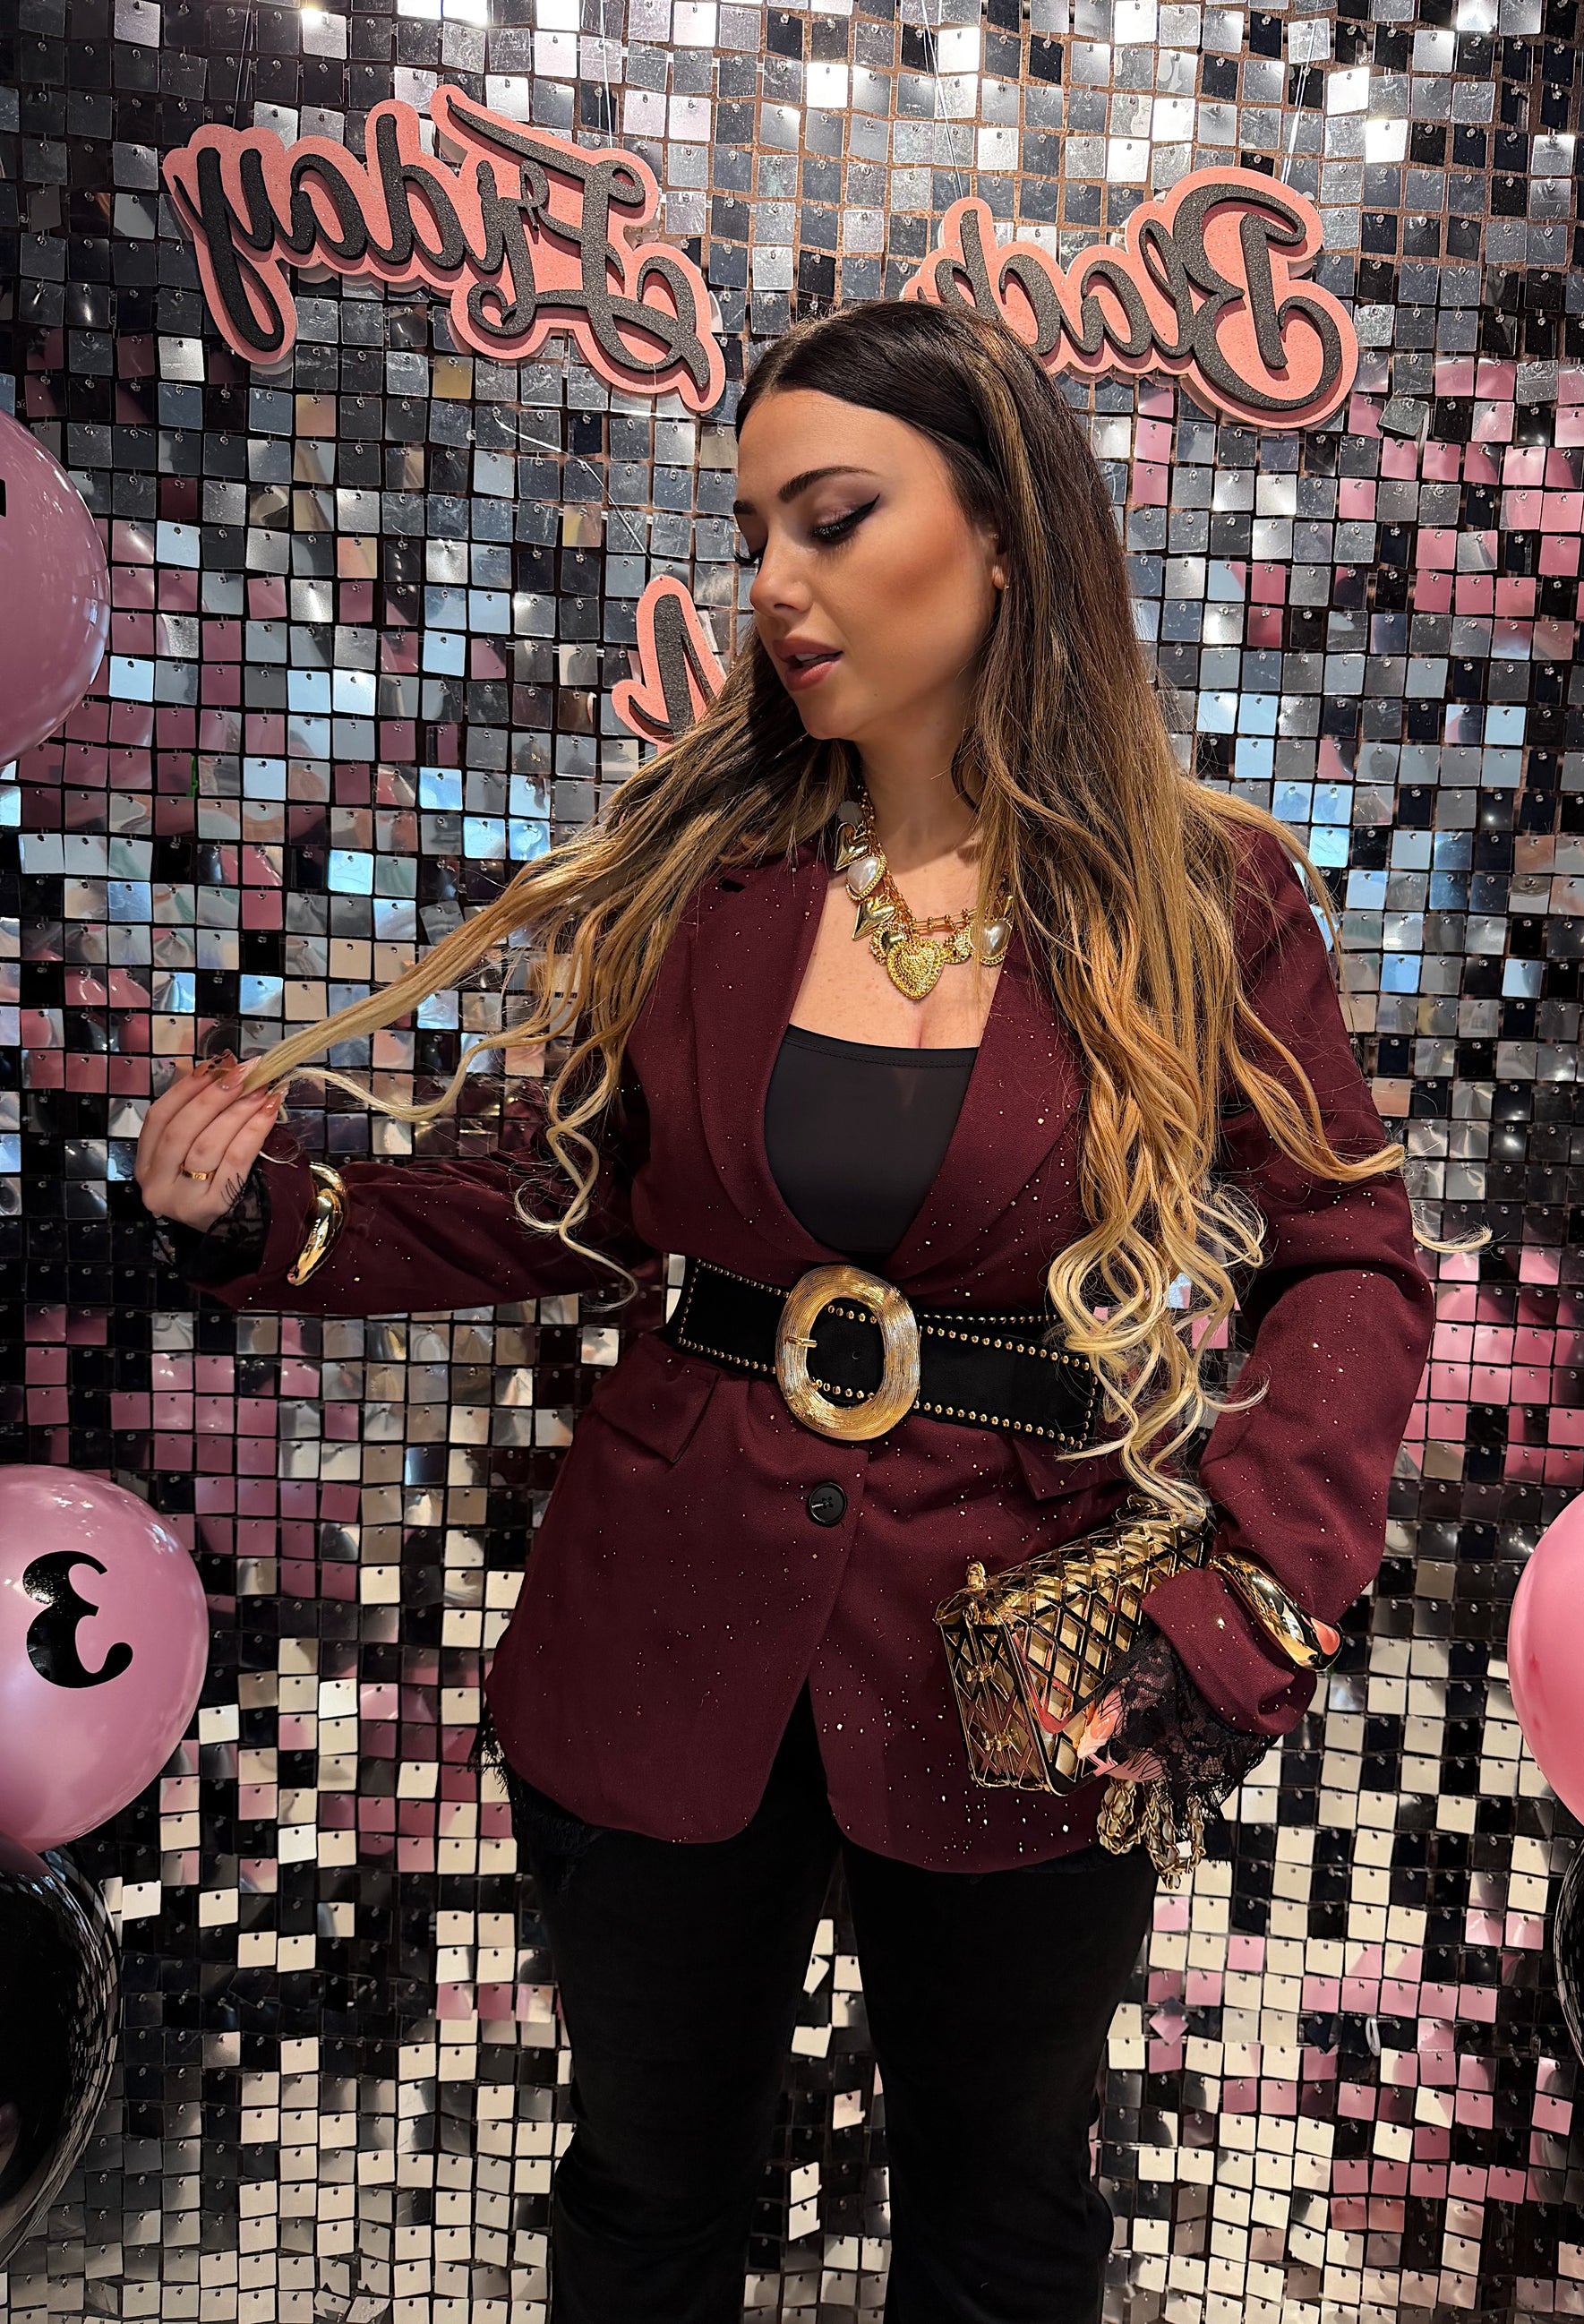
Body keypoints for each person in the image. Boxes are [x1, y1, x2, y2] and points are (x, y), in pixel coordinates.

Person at [128, 301, 1434, 2324]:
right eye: (752, 535)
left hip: (1029, 1659)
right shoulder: (702, 877)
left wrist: (1248, 1592)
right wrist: (272, 1213)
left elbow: (1346, 1250)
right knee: (645, 2195)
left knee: (1003, 2214)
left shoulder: (1202, 897)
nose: (774, 585)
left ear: (1001, 533)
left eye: (833, 519)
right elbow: (559, 1196)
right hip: (657, 1620)